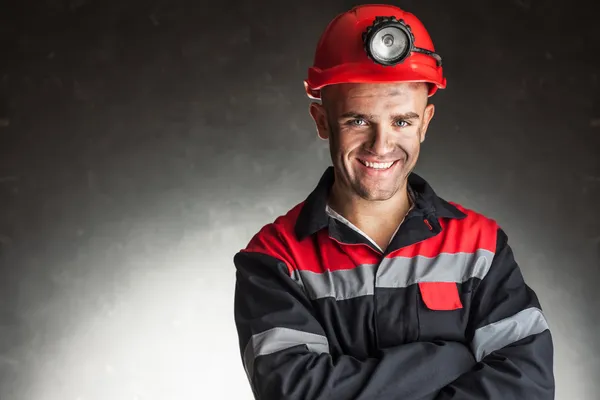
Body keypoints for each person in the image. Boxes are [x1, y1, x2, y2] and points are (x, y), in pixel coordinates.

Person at [233, 4, 555, 399]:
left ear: (426, 122)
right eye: (358, 120)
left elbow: (527, 387)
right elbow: (298, 393)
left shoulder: (480, 248)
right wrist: (449, 360)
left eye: (401, 121)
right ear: (321, 121)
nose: (381, 145)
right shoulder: (275, 258)